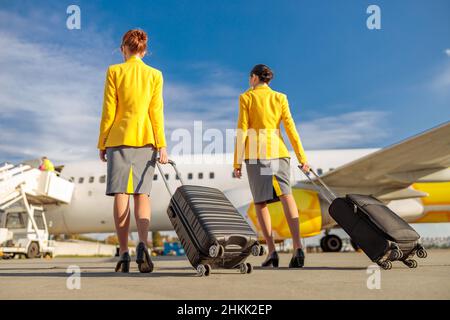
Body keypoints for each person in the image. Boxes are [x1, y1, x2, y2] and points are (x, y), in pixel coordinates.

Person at [97, 29, 168, 273]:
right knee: (142, 195)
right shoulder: (155, 75)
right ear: (144, 50)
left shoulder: (115, 71)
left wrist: (102, 142)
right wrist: (162, 144)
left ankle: (124, 252)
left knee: (120, 194)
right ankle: (143, 244)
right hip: (147, 139)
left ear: (123, 49)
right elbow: (156, 113)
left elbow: (109, 110)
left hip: (119, 137)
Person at [233, 64, 311, 268]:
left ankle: (272, 252)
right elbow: (291, 129)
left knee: (261, 203)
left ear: (254, 78)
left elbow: (242, 130)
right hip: (279, 153)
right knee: (287, 196)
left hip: (256, 155)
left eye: (249, 78)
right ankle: (297, 247)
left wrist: (237, 162)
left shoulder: (246, 98)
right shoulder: (280, 97)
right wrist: (302, 158)